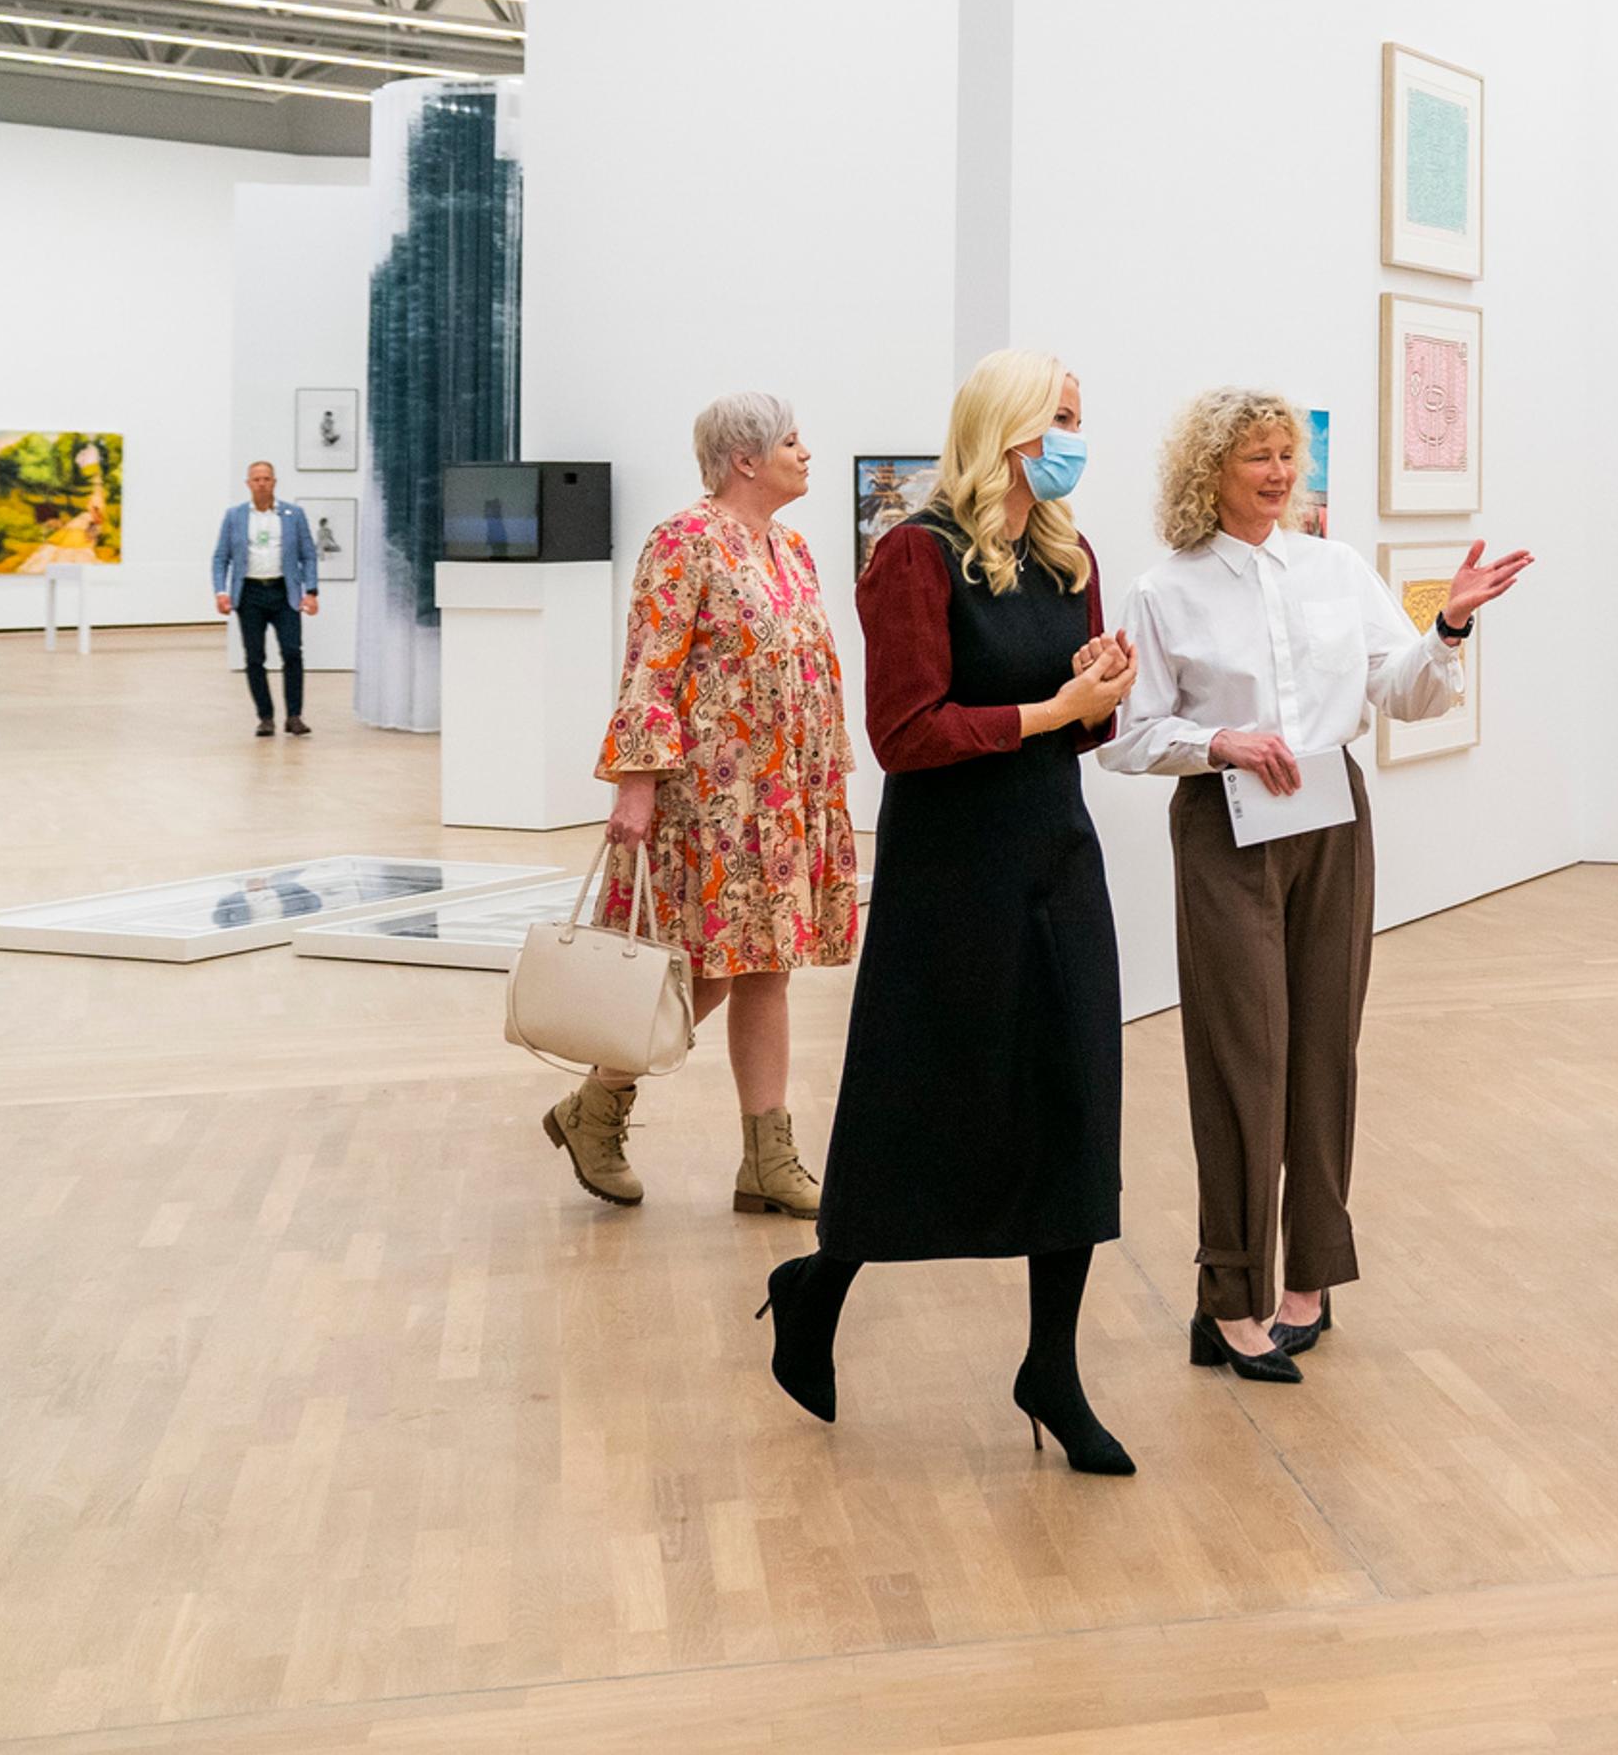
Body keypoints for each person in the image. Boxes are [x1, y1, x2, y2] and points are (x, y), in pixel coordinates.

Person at [753, 350, 1143, 1476]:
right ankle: (818, 1285)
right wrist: (1051, 710)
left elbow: (1085, 727)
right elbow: (905, 734)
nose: (1073, 438)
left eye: (1079, 417)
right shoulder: (914, 555)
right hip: (951, 873)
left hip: (1057, 859)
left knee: (1073, 1100)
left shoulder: (1069, 554)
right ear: (1005, 426)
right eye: (1059, 417)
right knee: (919, 1096)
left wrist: (1099, 692)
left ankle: (1052, 1366)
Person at [1104, 389, 1532, 1385]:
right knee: (1242, 1058)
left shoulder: (1335, 569)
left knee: (1325, 1049)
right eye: (1255, 456)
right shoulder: (1165, 590)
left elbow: (1403, 691)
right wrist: (1221, 740)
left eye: (1284, 453)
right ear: (1209, 472)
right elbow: (1129, 736)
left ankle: (1309, 1281)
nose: (1278, 472)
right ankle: (1230, 1298)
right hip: (1227, 826)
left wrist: (1449, 627)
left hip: (1333, 820)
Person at [547, 395, 860, 1222]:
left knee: (767, 970)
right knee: (699, 973)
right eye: (791, 440)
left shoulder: (792, 548)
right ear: (745, 459)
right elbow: (651, 667)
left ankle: (767, 1158)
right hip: (708, 803)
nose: (806, 452)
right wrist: (637, 782)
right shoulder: (683, 541)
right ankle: (597, 1106)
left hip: (781, 798)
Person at [208, 464, 319, 738]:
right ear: (248, 483)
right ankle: (265, 717)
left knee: (292, 652)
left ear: (274, 482)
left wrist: (311, 591)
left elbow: (308, 554)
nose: (261, 483)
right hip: (250, 594)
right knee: (255, 656)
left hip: (284, 592)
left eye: (266, 479)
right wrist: (221, 592)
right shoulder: (235, 516)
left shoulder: (293, 515)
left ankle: (294, 716)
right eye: (256, 479)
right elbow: (221, 557)